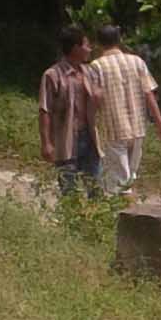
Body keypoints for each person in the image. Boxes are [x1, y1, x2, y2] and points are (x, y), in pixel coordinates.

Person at [85, 23, 161, 197]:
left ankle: (124, 218)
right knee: (129, 178)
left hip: (113, 129)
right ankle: (128, 214)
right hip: (137, 129)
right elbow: (149, 94)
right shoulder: (137, 62)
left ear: (98, 43)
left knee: (119, 183)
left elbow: (95, 98)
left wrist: (91, 127)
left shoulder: (96, 66)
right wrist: (160, 123)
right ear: (119, 40)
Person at [38, 25, 101, 195]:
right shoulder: (52, 75)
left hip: (89, 138)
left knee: (95, 188)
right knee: (69, 191)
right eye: (86, 45)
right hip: (64, 139)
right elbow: (45, 110)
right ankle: (73, 221)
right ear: (76, 48)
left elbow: (98, 103)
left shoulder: (90, 73)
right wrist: (46, 143)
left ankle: (94, 221)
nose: (90, 49)